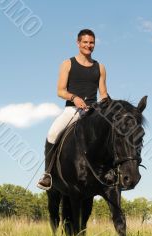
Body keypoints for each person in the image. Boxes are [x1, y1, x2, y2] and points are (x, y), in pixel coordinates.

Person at [37, 29, 109, 190]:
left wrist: (107, 105)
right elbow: (60, 91)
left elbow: (103, 93)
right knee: (52, 133)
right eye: (85, 42)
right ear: (78, 43)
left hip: (93, 112)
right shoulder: (67, 64)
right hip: (72, 110)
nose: (88, 45)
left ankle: (111, 171)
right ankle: (48, 173)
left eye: (91, 43)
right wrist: (74, 98)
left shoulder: (101, 67)